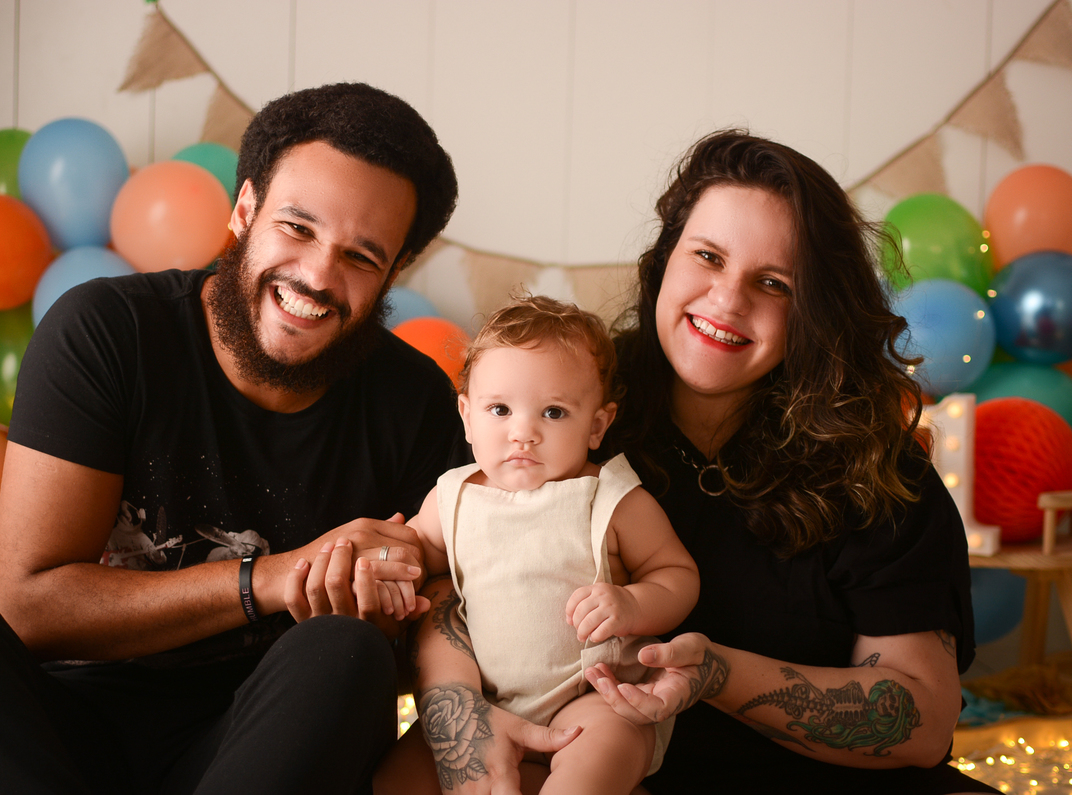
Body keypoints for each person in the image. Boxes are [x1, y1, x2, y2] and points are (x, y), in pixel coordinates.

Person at [0, 82, 465, 795]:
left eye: (362, 257)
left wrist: (384, 612)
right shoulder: (107, 331)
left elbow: (439, 629)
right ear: (244, 210)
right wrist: (273, 577)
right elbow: (31, 608)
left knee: (347, 650)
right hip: (61, 743)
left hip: (260, 745)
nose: (317, 276)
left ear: (394, 272)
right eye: (297, 228)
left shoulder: (416, 402)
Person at [406, 130, 999, 795]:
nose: (728, 299)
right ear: (665, 259)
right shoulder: (561, 405)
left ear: (815, 310)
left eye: (773, 283)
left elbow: (922, 720)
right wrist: (455, 709)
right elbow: (453, 574)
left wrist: (714, 674)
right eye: (708, 256)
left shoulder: (875, 466)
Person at [378, 296, 698, 795]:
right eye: (500, 409)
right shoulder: (452, 498)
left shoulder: (612, 498)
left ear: (597, 426)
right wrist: (389, 565)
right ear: (467, 416)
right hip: (485, 704)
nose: (523, 432)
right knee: (394, 778)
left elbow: (677, 574)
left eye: (553, 412)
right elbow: (415, 557)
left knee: (598, 759)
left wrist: (633, 604)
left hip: (595, 697)